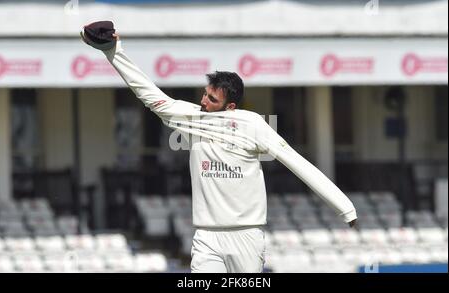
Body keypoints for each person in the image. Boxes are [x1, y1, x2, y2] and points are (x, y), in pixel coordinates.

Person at [81, 26, 357, 273]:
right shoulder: (191, 118)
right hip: (206, 236)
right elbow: (150, 94)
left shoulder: (252, 125)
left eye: (212, 99)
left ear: (231, 106)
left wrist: (345, 208)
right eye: (204, 93)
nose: (203, 102)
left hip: (247, 236)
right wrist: (113, 52)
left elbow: (297, 163)